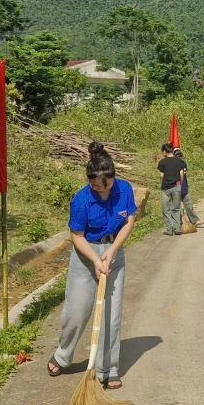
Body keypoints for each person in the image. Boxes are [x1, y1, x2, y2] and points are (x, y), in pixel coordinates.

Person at [48, 143, 137, 389]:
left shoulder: (125, 189)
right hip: (86, 254)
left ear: (113, 178)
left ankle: (108, 368)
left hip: (113, 254)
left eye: (104, 186)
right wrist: (96, 259)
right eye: (95, 187)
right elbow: (76, 236)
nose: (101, 192)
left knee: (111, 315)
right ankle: (63, 355)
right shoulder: (81, 200)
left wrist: (112, 251)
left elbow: (129, 221)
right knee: (76, 312)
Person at [157, 143, 186, 235]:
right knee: (176, 208)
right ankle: (177, 229)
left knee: (166, 209)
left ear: (165, 152)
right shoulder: (179, 161)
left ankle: (169, 229)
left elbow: (162, 175)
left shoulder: (162, 162)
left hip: (166, 188)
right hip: (176, 187)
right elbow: (181, 174)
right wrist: (179, 184)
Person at [174, 147, 203, 228]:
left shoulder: (183, 163)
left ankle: (194, 221)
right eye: (177, 154)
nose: (179, 156)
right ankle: (178, 223)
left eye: (179, 155)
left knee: (189, 205)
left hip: (184, 187)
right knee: (177, 207)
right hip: (175, 187)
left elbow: (184, 173)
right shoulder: (172, 164)